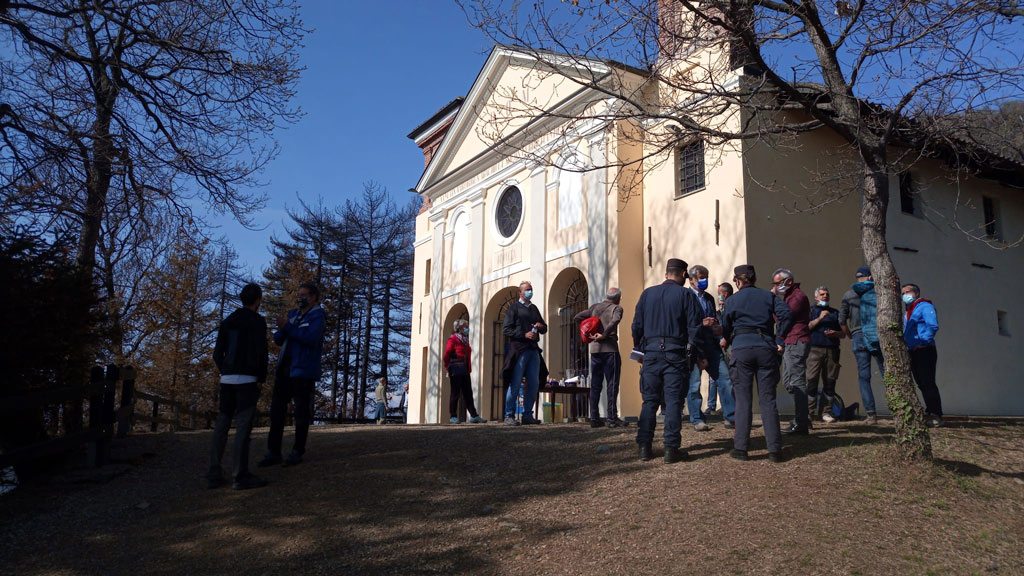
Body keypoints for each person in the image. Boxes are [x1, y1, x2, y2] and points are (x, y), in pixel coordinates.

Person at [631, 258, 703, 464]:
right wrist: (694, 352)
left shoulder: (647, 294)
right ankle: (671, 448)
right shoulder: (686, 295)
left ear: (666, 274)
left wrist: (640, 348)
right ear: (683, 275)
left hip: (651, 353)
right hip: (675, 353)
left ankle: (644, 447)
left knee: (649, 402)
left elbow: (636, 326)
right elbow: (694, 327)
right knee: (673, 402)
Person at [721, 264, 792, 463]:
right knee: (768, 400)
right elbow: (786, 314)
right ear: (754, 278)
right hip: (765, 347)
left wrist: (727, 337)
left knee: (743, 400)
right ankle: (775, 450)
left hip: (742, 349)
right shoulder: (768, 297)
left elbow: (725, 325)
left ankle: (741, 449)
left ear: (737, 281)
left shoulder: (732, 300)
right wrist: (779, 338)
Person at [207, 283, 269, 490]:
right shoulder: (258, 322)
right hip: (248, 380)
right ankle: (239, 474)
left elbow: (217, 353)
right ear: (258, 300)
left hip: (228, 379)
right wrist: (261, 377)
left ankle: (213, 472)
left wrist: (224, 370)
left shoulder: (229, 321)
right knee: (243, 426)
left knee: (222, 425)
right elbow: (262, 352)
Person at [259, 282, 326, 468]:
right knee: (277, 411)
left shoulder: (318, 316)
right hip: (285, 367)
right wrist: (282, 327)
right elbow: (278, 338)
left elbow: (310, 339)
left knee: (301, 412)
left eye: (303, 295)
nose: (300, 298)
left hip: (303, 370)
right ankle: (273, 451)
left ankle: (297, 450)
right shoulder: (294, 315)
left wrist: (287, 328)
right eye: (299, 294)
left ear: (313, 297)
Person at [686, 265, 735, 431]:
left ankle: (731, 416)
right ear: (691, 279)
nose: (704, 280)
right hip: (693, 346)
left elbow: (713, 317)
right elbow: (684, 323)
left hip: (711, 344)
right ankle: (697, 419)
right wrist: (702, 324)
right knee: (694, 384)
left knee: (724, 379)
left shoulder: (708, 297)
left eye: (706, 276)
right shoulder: (685, 296)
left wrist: (715, 327)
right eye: (701, 277)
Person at [573, 287, 625, 428]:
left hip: (595, 350)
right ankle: (612, 418)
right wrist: (605, 334)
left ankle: (594, 418)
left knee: (595, 385)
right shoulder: (617, 308)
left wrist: (587, 331)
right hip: (610, 350)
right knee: (612, 384)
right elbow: (614, 321)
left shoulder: (595, 307)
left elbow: (577, 317)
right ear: (618, 298)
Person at [839, 267, 884, 424]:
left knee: (864, 377)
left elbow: (841, 320)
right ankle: (898, 410)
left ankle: (871, 414)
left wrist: (851, 335)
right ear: (871, 276)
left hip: (858, 336)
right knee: (887, 374)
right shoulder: (878, 293)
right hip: (877, 336)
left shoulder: (849, 294)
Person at [501, 281, 548, 426]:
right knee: (515, 383)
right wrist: (523, 334)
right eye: (527, 290)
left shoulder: (534, 308)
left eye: (531, 289)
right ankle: (509, 415)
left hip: (533, 350)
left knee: (533, 383)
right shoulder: (513, 308)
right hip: (519, 350)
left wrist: (540, 326)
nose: (530, 292)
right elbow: (506, 329)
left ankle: (527, 414)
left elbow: (544, 328)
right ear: (520, 292)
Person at [772, 268, 811, 435]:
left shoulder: (797, 296)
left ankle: (801, 423)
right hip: (790, 342)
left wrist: (773, 300)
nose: (775, 286)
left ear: (788, 281)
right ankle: (802, 417)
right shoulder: (789, 297)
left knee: (797, 382)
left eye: (777, 283)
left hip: (796, 341)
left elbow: (785, 316)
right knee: (789, 383)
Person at [902, 284, 943, 427]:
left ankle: (936, 414)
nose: (905, 295)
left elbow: (932, 325)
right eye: (903, 293)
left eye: (908, 292)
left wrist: (924, 342)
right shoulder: (908, 311)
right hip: (912, 350)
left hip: (925, 349)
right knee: (921, 383)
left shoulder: (924, 306)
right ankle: (929, 412)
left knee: (928, 382)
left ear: (917, 292)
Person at [806, 286, 844, 423]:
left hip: (832, 350)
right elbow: (806, 328)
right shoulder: (810, 311)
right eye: (822, 294)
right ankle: (809, 413)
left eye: (827, 294)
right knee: (811, 382)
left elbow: (843, 333)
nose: (825, 296)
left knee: (830, 382)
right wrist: (820, 319)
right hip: (814, 350)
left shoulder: (835, 312)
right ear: (816, 297)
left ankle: (826, 412)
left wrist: (836, 334)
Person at [443, 318, 486, 424]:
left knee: (468, 393)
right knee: (455, 393)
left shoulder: (465, 340)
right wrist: (447, 367)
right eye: (464, 327)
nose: (467, 328)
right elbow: (447, 353)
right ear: (459, 329)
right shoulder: (453, 339)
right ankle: (453, 416)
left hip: (464, 369)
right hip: (456, 368)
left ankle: (474, 415)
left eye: (467, 326)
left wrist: (468, 368)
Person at [704, 282, 734, 420]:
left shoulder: (732, 308)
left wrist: (726, 339)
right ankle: (711, 406)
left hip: (729, 347)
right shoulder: (717, 311)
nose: (718, 297)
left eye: (719, 293)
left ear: (725, 294)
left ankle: (729, 408)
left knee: (728, 377)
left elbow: (732, 327)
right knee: (714, 378)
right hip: (717, 346)